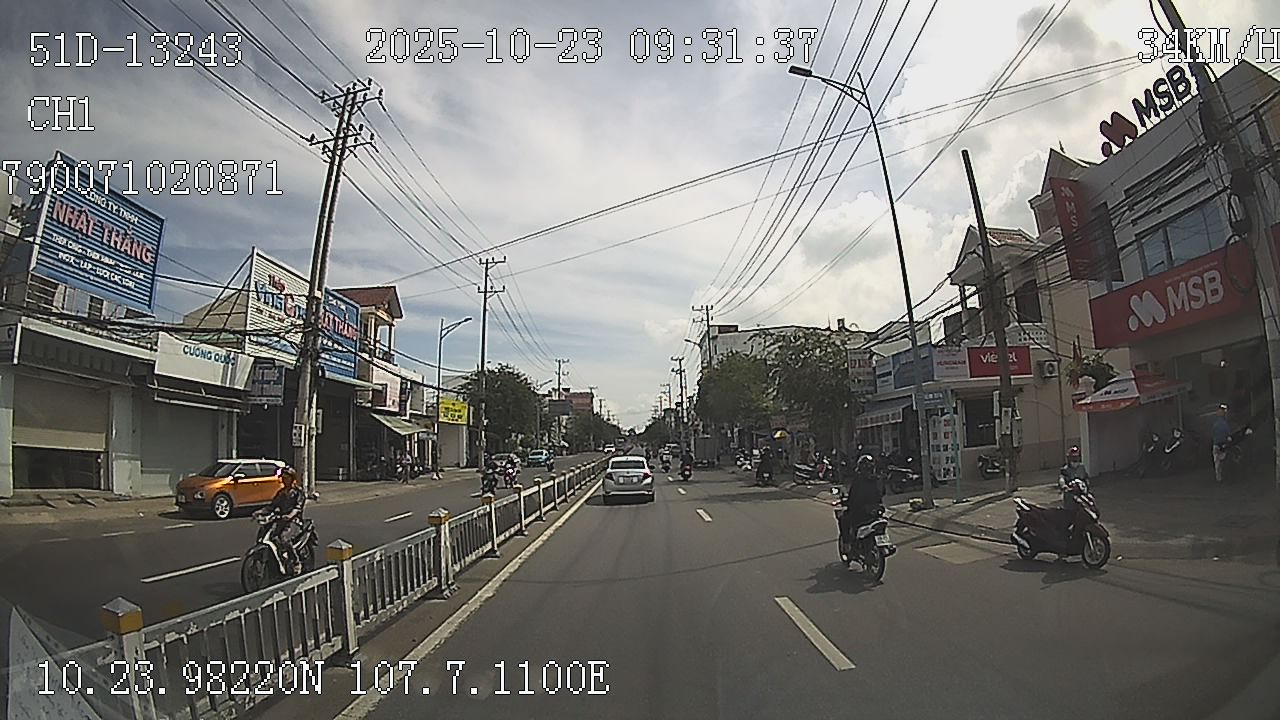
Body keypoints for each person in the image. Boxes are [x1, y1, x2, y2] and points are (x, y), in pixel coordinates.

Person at [838, 454, 884, 546]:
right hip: (877, 510)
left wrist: (845, 502)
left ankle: (847, 543)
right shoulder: (878, 480)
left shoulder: (858, 480)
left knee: (843, 519)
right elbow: (883, 492)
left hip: (861, 512)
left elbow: (853, 497)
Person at [268, 466, 307, 575]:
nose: (284, 480)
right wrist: (259, 512)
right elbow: (272, 506)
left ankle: (296, 562)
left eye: (287, 478)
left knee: (284, 538)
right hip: (281, 520)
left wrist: (290, 515)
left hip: (294, 522)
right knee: (270, 536)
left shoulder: (298, 492)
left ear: (292, 478)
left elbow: (298, 507)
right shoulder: (281, 492)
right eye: (283, 478)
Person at [1212, 403, 1231, 484]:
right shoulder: (1224, 424)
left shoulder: (1216, 424)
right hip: (1222, 444)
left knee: (1217, 462)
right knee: (1222, 461)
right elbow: (1228, 434)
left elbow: (1213, 433)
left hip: (1217, 444)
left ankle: (1219, 478)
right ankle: (1221, 477)